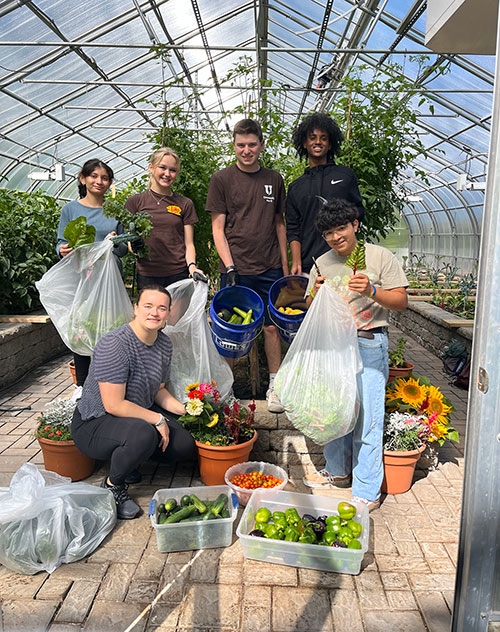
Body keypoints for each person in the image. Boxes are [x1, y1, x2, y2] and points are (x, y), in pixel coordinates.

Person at [302, 199, 408, 512]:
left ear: (355, 226)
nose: (336, 237)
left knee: (368, 420)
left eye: (341, 229)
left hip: (368, 343)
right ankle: (337, 471)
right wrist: (315, 294)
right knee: (335, 412)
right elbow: (309, 308)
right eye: (329, 232)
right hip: (335, 347)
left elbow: (401, 301)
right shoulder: (322, 262)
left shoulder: (379, 257)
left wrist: (372, 291)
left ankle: (367, 489)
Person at [71, 285, 197, 520]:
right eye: (148, 306)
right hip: (95, 422)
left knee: (183, 444)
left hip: (132, 416)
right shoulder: (115, 344)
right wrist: (158, 419)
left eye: (162, 308)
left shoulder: (164, 344)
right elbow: (113, 405)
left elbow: (159, 392)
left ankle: (130, 461)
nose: (154, 313)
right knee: (144, 433)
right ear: (135, 308)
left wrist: (187, 410)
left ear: (168, 314)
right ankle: (113, 485)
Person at [205, 118, 289, 413]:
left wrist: (286, 267)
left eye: (252, 144)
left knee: (271, 329)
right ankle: (226, 390)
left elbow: (280, 224)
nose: (246, 150)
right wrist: (229, 267)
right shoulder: (222, 180)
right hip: (235, 270)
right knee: (231, 333)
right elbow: (218, 228)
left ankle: (275, 386)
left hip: (270, 268)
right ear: (234, 146)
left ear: (261, 145)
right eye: (241, 145)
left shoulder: (274, 179)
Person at [56, 158, 127, 389]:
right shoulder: (70, 209)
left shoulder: (115, 210)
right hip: (83, 279)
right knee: (82, 329)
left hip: (110, 280)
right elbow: (60, 243)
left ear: (109, 183)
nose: (99, 181)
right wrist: (62, 249)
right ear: (82, 178)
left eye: (104, 178)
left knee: (111, 328)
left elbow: (124, 248)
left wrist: (114, 243)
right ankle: (83, 388)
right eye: (94, 176)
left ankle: (111, 385)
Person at [286, 113, 365, 275]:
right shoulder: (296, 187)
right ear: (304, 143)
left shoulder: (345, 176)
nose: (317, 142)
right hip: (311, 265)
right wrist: (296, 262)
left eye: (323, 138)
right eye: (312, 137)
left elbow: (359, 212)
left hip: (346, 262)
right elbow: (293, 228)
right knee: (313, 301)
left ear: (330, 144)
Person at [125, 147, 206, 290]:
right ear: (151, 168)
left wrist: (192, 267)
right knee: (153, 312)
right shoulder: (135, 202)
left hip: (178, 273)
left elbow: (189, 243)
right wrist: (134, 247)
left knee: (176, 313)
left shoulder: (184, 204)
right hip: (147, 274)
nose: (167, 174)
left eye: (173, 170)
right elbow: (129, 240)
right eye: (162, 167)